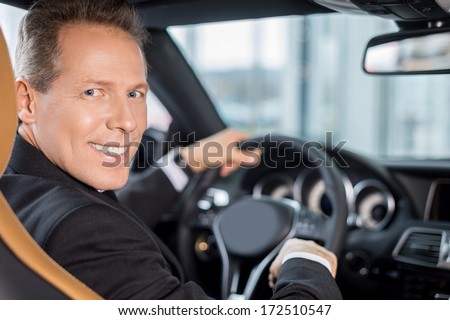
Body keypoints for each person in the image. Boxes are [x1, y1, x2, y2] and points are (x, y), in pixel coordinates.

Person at [0, 0, 342, 299]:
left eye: (135, 94)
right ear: (27, 101)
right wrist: (306, 262)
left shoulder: (18, 189)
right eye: (93, 92)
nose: (129, 123)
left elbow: (93, 211)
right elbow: (92, 226)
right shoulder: (88, 231)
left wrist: (189, 161)